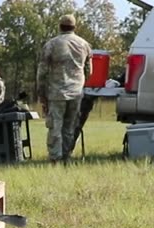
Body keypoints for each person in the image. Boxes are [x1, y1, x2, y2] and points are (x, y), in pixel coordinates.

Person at [36, 15, 92, 163]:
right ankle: (66, 156)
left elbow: (42, 72)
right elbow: (89, 71)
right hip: (76, 92)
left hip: (57, 92)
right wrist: (80, 84)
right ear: (75, 27)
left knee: (55, 126)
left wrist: (41, 92)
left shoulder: (52, 44)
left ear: (60, 26)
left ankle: (55, 159)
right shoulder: (84, 45)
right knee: (69, 127)